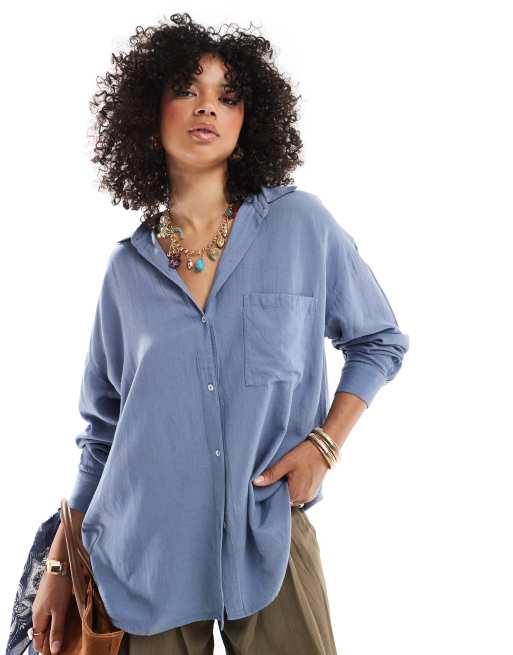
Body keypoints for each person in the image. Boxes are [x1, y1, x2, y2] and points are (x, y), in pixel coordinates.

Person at [29, 12, 410, 655]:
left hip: (269, 534)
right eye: (188, 89)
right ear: (149, 114)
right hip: (141, 559)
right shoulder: (126, 272)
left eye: (227, 96)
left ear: (247, 120)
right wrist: (60, 567)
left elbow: (379, 341)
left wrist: (323, 445)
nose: (207, 107)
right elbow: (101, 437)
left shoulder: (299, 226)